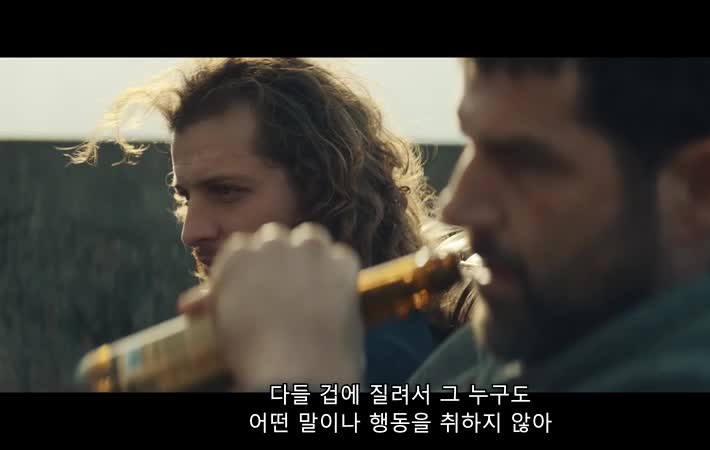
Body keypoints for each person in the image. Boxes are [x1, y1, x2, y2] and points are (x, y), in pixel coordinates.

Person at [186, 57, 710, 392]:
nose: (457, 207)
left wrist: (297, 388)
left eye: (525, 163)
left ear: (703, 189)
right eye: (475, 145)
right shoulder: (544, 334)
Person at [66, 57, 461, 386]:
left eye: (226, 191)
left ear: (322, 192)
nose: (191, 232)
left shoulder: (376, 360)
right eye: (185, 197)